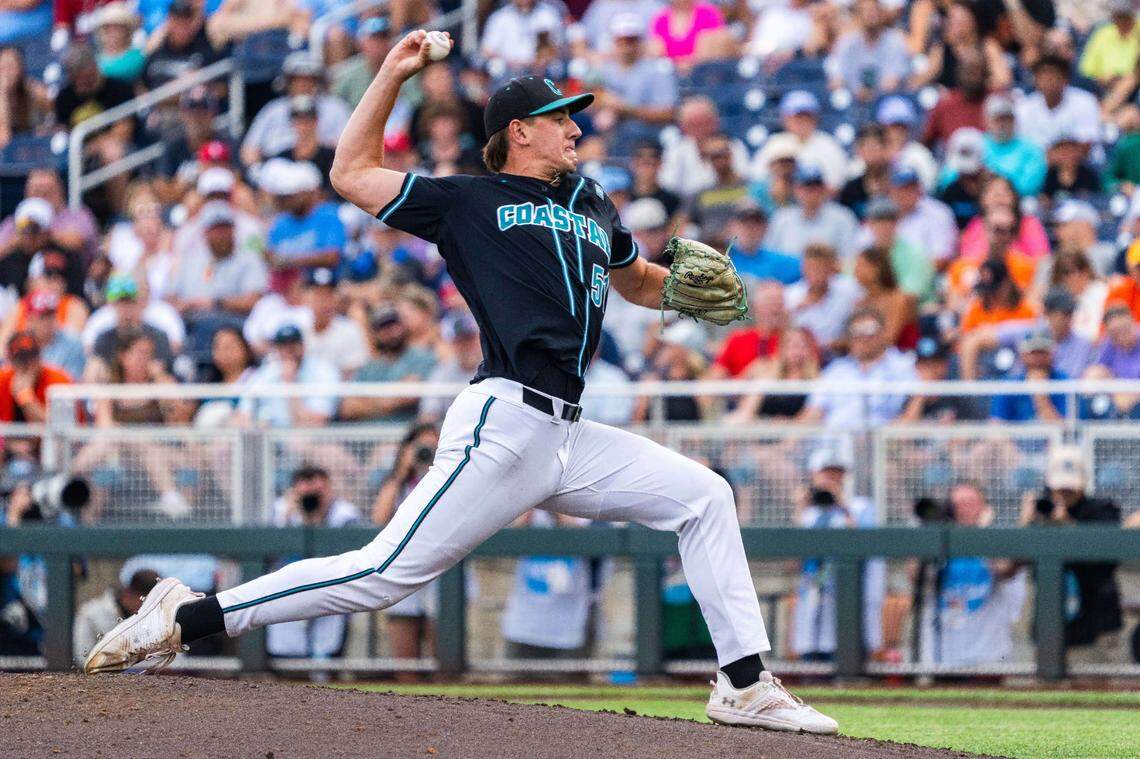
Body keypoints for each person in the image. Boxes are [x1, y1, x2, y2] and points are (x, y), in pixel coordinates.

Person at [83, 33, 838, 735]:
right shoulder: (468, 201)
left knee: (705, 496)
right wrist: (392, 73)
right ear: (519, 130)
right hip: (503, 422)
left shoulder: (590, 204)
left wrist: (680, 287)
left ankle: (743, 681)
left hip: (571, 433)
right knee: (385, 572)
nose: (575, 129)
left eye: (574, 118)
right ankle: (190, 613)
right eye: (559, 118)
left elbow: (636, 279)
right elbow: (348, 172)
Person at [1020, 445, 1123, 655]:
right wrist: (1026, 521)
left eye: (1069, 488)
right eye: (1059, 488)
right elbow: (1016, 560)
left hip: (1095, 624)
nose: (1064, 493)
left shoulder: (1102, 510)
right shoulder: (1042, 510)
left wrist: (1068, 525)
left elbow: (1107, 560)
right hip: (1050, 624)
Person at [790, 446, 886, 661]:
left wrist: (841, 503)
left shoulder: (860, 506)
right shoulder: (809, 512)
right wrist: (800, 507)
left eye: (837, 473)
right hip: (813, 597)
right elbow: (793, 557)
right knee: (812, 665)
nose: (832, 479)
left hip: (847, 600)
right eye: (827, 473)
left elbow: (864, 545)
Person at [916, 483, 1027, 666]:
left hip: (988, 657)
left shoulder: (998, 540)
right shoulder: (938, 542)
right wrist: (930, 527)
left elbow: (1005, 569)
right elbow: (915, 574)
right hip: (943, 657)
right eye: (957, 504)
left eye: (970, 503)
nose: (963, 509)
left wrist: (981, 534)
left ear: (985, 508)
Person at [266, 465, 362, 661]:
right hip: (288, 596)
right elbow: (268, 555)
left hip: (331, 597)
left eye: (318, 492)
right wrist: (289, 517)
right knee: (286, 663)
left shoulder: (344, 514)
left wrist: (318, 518)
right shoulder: (281, 510)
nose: (312, 498)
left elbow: (353, 556)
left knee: (328, 661)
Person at [797, 308, 917, 429]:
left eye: (870, 330)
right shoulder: (836, 370)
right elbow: (814, 411)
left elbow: (912, 408)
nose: (864, 338)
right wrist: (788, 444)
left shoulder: (901, 366)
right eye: (857, 332)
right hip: (833, 441)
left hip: (881, 441)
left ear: (883, 333)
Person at [340, 305, 437, 423]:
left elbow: (409, 394)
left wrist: (366, 403)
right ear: (375, 333)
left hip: (405, 432)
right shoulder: (369, 367)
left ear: (403, 326)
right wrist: (390, 400)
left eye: (394, 325)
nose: (392, 332)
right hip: (371, 435)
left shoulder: (422, 357)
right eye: (384, 328)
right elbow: (348, 407)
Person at [749, 91, 847, 191]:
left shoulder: (829, 145)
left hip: (819, 201)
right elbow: (757, 178)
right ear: (785, 118)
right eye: (797, 117)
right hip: (779, 202)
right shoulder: (774, 143)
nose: (802, 121)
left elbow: (836, 185)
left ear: (816, 118)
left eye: (807, 116)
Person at [764, 164, 860, 261]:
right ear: (796, 189)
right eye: (806, 187)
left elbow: (849, 257)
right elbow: (770, 256)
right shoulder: (781, 218)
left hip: (830, 274)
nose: (812, 192)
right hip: (787, 275)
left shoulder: (842, 217)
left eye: (816, 187)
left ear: (824, 188)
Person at [1014, 54, 1101, 153]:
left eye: (1052, 76)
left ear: (1065, 79)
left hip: (1082, 163)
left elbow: (1086, 144)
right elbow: (1020, 145)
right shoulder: (1025, 106)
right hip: (1038, 162)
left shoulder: (1085, 101)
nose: (1047, 81)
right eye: (1042, 76)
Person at [784, 243, 862, 354]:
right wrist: (795, 310)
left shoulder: (849, 290)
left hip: (840, 354)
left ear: (832, 268)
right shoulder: (791, 295)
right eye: (811, 267)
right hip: (803, 356)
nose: (815, 273)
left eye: (820, 268)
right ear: (803, 268)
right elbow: (782, 334)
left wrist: (840, 343)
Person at [826, 0, 910, 98]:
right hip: (853, 100)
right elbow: (837, 79)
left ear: (882, 13)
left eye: (874, 10)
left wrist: (871, 93)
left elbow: (893, 81)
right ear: (857, 16)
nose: (870, 14)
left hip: (885, 99)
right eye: (865, 11)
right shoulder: (847, 42)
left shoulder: (895, 41)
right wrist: (856, 90)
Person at [74, 570, 160, 665]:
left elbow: (173, 660)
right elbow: (82, 657)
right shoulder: (91, 614)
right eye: (146, 602)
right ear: (128, 594)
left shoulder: (156, 617)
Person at [990, 329, 1067, 423]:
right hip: (1015, 436)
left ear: (1051, 354)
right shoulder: (1009, 386)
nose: (1038, 357)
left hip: (1052, 437)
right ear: (1023, 355)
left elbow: (1068, 432)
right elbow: (996, 423)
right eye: (1033, 352)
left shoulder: (1065, 384)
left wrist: (1041, 398)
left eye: (1042, 352)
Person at [981, 93, 1046, 198]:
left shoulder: (1031, 149)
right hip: (980, 197)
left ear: (1014, 120)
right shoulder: (977, 143)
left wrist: (998, 184)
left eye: (1006, 118)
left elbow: (1030, 187)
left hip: (1018, 200)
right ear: (987, 120)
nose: (1002, 124)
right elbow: (951, 177)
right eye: (997, 119)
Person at [853, 246, 918, 349]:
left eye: (862, 265)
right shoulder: (861, 303)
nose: (856, 271)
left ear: (877, 268)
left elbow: (890, 338)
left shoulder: (899, 299)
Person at [0, 331, 73, 424]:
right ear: (10, 360)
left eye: (32, 358)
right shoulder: (3, 380)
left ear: (39, 357)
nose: (28, 365)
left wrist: (26, 399)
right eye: (21, 360)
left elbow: (61, 427)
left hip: (46, 438)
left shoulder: (59, 380)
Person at [726, 200, 800, 286]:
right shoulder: (722, 260)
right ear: (731, 227)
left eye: (756, 223)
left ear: (765, 228)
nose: (750, 229)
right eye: (744, 223)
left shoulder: (781, 262)